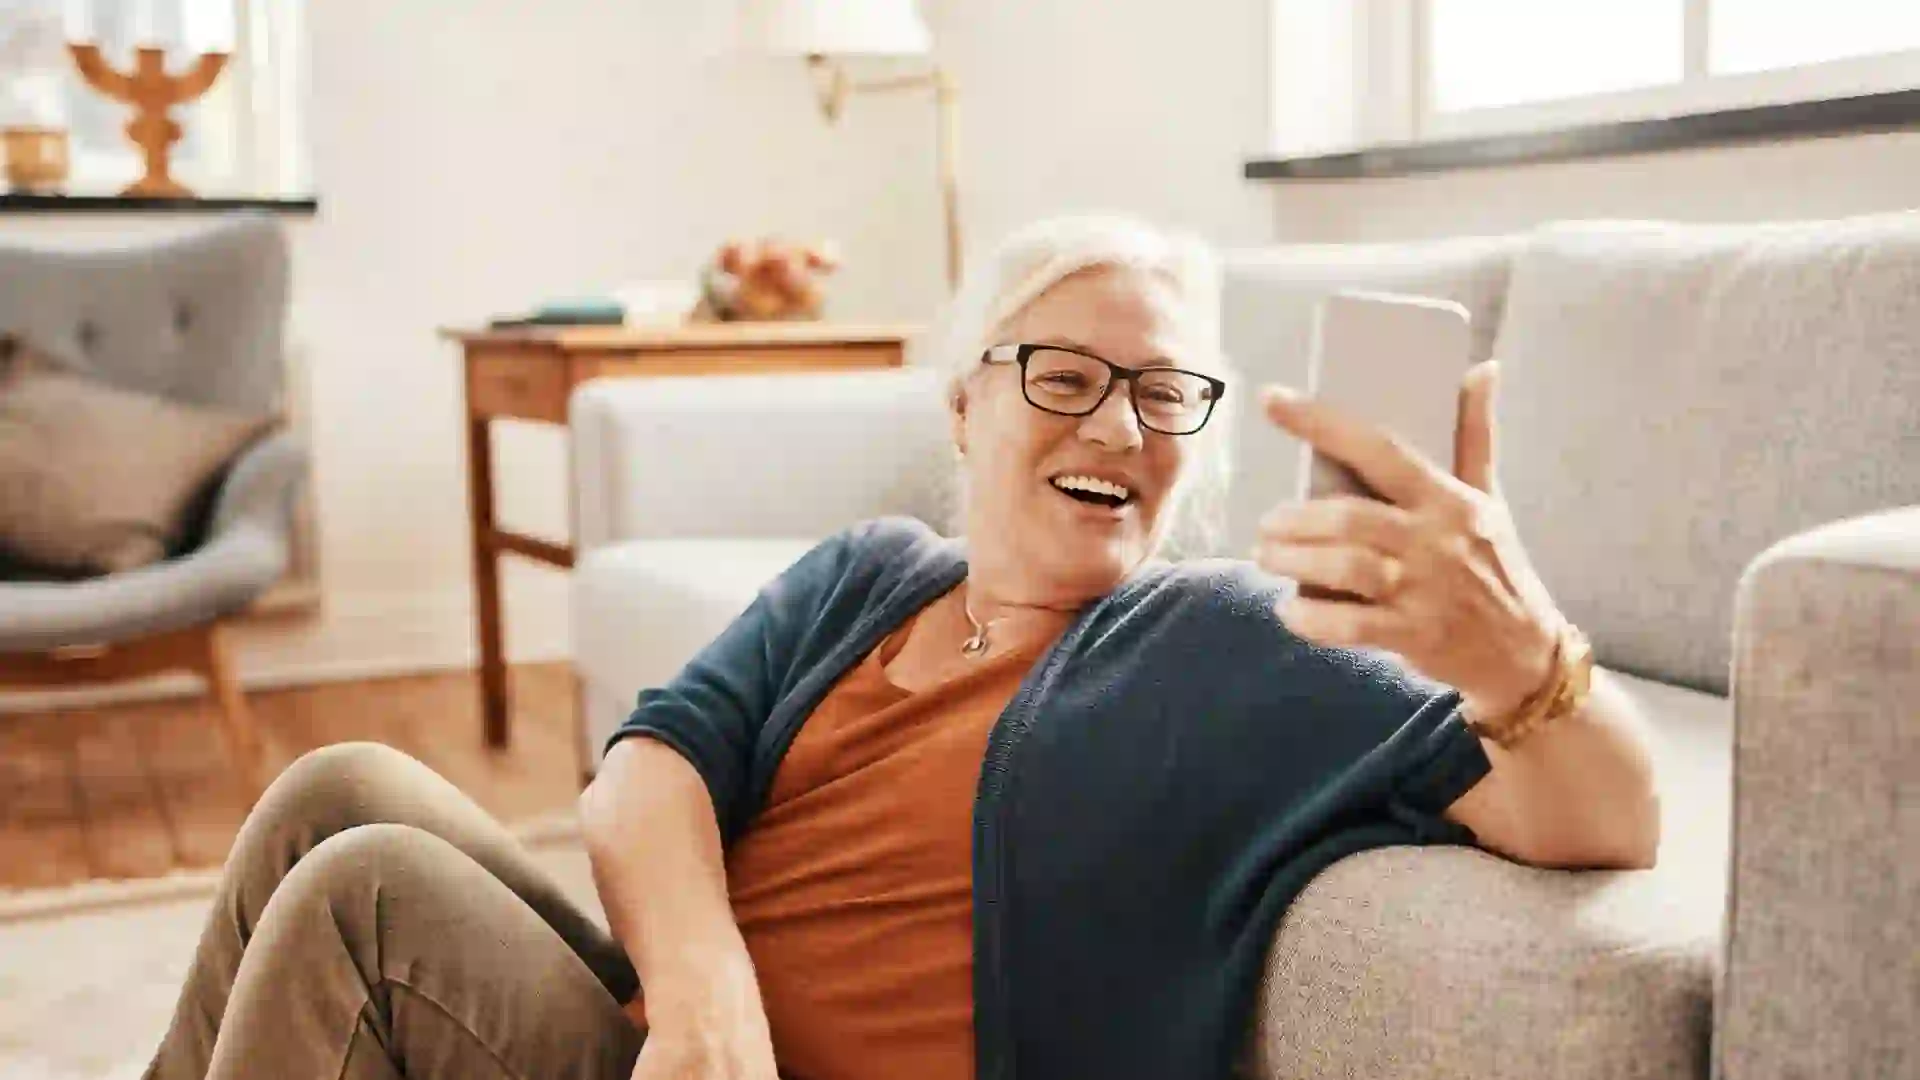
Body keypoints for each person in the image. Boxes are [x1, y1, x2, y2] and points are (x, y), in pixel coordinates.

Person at [140, 215, 1659, 1080]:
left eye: (1164, 393)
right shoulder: (872, 572)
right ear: (963, 403)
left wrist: (1518, 643)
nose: (1119, 425)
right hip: (679, 1050)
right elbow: (648, 764)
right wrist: (705, 993)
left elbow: (1603, 814)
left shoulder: (1219, 642)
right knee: (338, 787)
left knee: (370, 902)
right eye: (1066, 374)